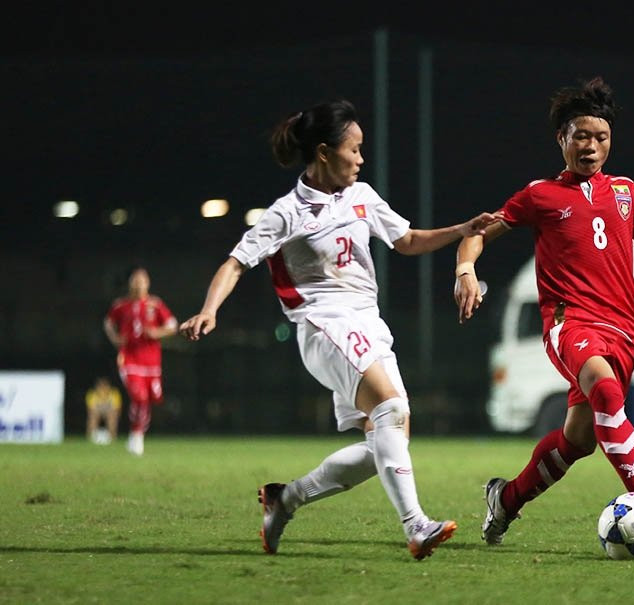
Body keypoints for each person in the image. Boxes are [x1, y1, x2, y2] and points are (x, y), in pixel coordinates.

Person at [179, 99, 500, 560]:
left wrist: (462, 228)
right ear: (325, 153)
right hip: (323, 324)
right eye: (355, 149)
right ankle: (416, 526)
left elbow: (408, 240)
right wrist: (209, 309)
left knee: (388, 439)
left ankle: (285, 499)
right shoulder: (287, 212)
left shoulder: (361, 195)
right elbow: (235, 263)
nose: (361, 158)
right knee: (390, 410)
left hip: (368, 322)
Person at [454, 77, 634, 546]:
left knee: (578, 441)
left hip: (622, 330)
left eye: (601, 137)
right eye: (581, 136)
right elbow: (477, 233)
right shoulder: (540, 194)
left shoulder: (626, 191)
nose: (591, 146)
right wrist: (466, 268)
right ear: (562, 139)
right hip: (569, 322)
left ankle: (505, 500)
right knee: (607, 394)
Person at [104, 267, 177, 455]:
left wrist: (157, 332)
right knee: (139, 396)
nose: (138, 284)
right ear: (130, 283)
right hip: (129, 358)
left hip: (151, 361)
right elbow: (108, 323)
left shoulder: (155, 304)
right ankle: (136, 435)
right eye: (135, 280)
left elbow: (172, 325)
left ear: (148, 283)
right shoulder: (121, 305)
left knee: (150, 400)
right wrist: (115, 338)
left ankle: (137, 433)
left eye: (141, 281)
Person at [86, 377, 122, 444]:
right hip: (98, 412)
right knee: (92, 416)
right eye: (100, 386)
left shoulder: (114, 393)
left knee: (112, 416)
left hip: (109, 412)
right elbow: (90, 410)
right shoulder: (92, 394)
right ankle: (91, 436)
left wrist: (114, 416)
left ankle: (112, 437)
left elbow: (117, 409)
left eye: (105, 386)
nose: (103, 388)